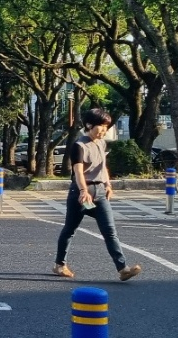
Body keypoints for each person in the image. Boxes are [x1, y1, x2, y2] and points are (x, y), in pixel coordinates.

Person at [53, 108, 142, 281]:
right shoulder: (79, 146)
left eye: (106, 126)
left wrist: (108, 184)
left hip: (99, 193)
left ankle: (123, 269)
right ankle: (59, 265)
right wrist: (83, 191)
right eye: (100, 126)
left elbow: (103, 166)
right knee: (70, 229)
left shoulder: (101, 143)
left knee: (109, 231)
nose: (103, 130)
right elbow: (78, 171)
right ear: (89, 125)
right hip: (81, 195)